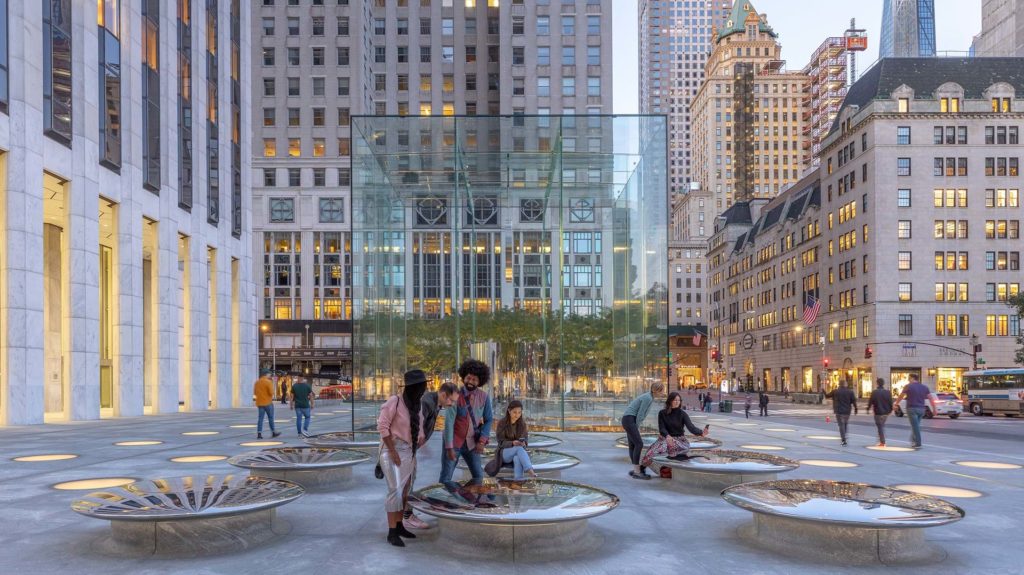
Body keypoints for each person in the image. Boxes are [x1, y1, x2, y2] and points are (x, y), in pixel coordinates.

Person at [378, 369, 428, 547]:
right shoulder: (395, 401)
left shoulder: (417, 405)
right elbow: (383, 427)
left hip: (410, 451)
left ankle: (399, 526)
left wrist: (420, 438)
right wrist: (392, 451)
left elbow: (420, 428)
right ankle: (391, 531)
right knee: (395, 490)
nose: (424, 390)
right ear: (414, 388)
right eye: (422, 387)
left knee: (405, 491)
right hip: (393, 450)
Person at [401, 382, 457, 530]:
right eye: (451, 400)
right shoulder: (427, 403)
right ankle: (406, 517)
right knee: (408, 481)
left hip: (410, 447)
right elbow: (414, 423)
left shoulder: (436, 403)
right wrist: (419, 442)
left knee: (409, 480)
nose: (452, 404)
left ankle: (405, 514)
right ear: (444, 394)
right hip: (406, 447)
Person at [440, 359, 494, 487]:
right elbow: (449, 423)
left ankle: (469, 500)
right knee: (445, 479)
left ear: (480, 381)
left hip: (472, 444)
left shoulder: (484, 397)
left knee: (479, 478)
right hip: (454, 442)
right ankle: (445, 503)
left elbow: (489, 419)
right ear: (463, 377)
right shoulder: (455, 396)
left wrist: (482, 441)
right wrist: (449, 447)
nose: (471, 382)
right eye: (468, 378)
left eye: (474, 379)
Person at [641, 391, 709, 467]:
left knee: (666, 446)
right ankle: (642, 468)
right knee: (652, 451)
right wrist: (667, 436)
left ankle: (670, 467)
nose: (677, 402)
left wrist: (701, 432)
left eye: (679, 400)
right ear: (670, 401)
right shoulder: (662, 413)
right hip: (666, 438)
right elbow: (662, 428)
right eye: (675, 400)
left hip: (680, 441)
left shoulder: (682, 414)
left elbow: (691, 427)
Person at [621, 381, 665, 480]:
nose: (663, 393)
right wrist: (636, 427)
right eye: (662, 391)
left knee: (633, 445)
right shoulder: (648, 398)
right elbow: (640, 414)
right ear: (657, 390)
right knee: (639, 444)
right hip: (629, 420)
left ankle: (636, 470)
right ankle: (637, 472)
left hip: (628, 419)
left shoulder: (649, 397)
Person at [488, 400, 538, 480]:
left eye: (519, 412)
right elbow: (500, 442)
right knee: (518, 448)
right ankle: (530, 471)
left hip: (517, 452)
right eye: (514, 412)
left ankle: (518, 483)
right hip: (503, 453)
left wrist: (524, 443)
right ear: (509, 411)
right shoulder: (502, 423)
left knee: (517, 458)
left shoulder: (522, 424)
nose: (517, 415)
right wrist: (512, 443)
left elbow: (525, 439)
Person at [897, 374, 937, 448]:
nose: (908, 380)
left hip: (912, 409)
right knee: (916, 426)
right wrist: (934, 409)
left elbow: (901, 396)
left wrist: (896, 403)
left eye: (909, 378)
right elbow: (931, 399)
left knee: (915, 427)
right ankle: (913, 440)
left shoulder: (908, 386)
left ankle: (918, 443)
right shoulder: (924, 387)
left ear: (912, 378)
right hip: (921, 409)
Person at [825, 380, 858, 446]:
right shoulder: (850, 392)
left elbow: (827, 396)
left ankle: (843, 440)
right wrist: (856, 409)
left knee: (841, 425)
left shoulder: (835, 391)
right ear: (845, 384)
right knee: (845, 424)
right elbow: (854, 401)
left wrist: (823, 391)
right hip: (847, 411)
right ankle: (844, 436)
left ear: (839, 384)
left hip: (839, 411)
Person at [253, 370, 281, 440]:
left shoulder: (257, 382)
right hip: (268, 403)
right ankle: (273, 432)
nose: (270, 376)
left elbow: (255, 393)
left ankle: (259, 434)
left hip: (260, 403)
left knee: (260, 419)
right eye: (269, 374)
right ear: (266, 374)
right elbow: (271, 393)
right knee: (270, 418)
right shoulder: (268, 382)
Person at [867, 378, 893, 447]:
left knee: (880, 426)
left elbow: (870, 402)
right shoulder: (888, 392)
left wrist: (868, 409)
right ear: (883, 383)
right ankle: (881, 440)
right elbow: (890, 402)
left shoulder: (874, 392)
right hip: (885, 413)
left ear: (877, 383)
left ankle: (882, 441)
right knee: (881, 426)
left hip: (878, 412)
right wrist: (890, 410)